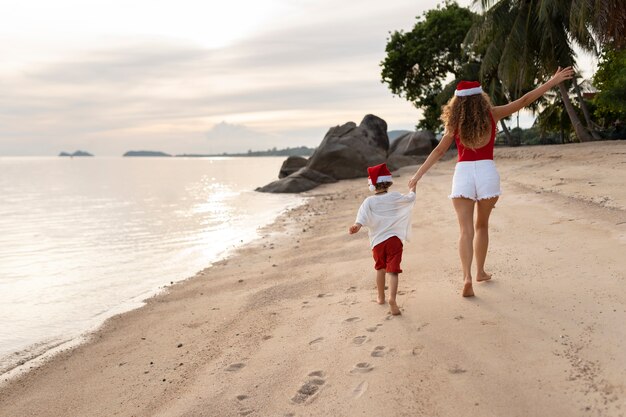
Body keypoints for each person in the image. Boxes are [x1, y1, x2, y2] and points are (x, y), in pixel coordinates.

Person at [408, 67, 575, 297]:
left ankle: (466, 277)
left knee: (465, 230)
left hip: (463, 174)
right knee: (481, 226)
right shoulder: (492, 114)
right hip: (486, 172)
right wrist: (552, 81)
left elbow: (438, 151)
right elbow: (524, 100)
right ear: (480, 97)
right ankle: (480, 272)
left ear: (457, 104)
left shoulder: (454, 124)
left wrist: (417, 176)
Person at [349, 163, 416, 315]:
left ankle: (380, 297)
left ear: (372, 185)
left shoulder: (369, 202)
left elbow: (361, 217)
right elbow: (410, 199)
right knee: (393, 271)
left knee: (380, 268)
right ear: (388, 182)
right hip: (394, 240)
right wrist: (413, 187)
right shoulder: (395, 196)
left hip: (378, 242)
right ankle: (392, 298)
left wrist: (356, 226)